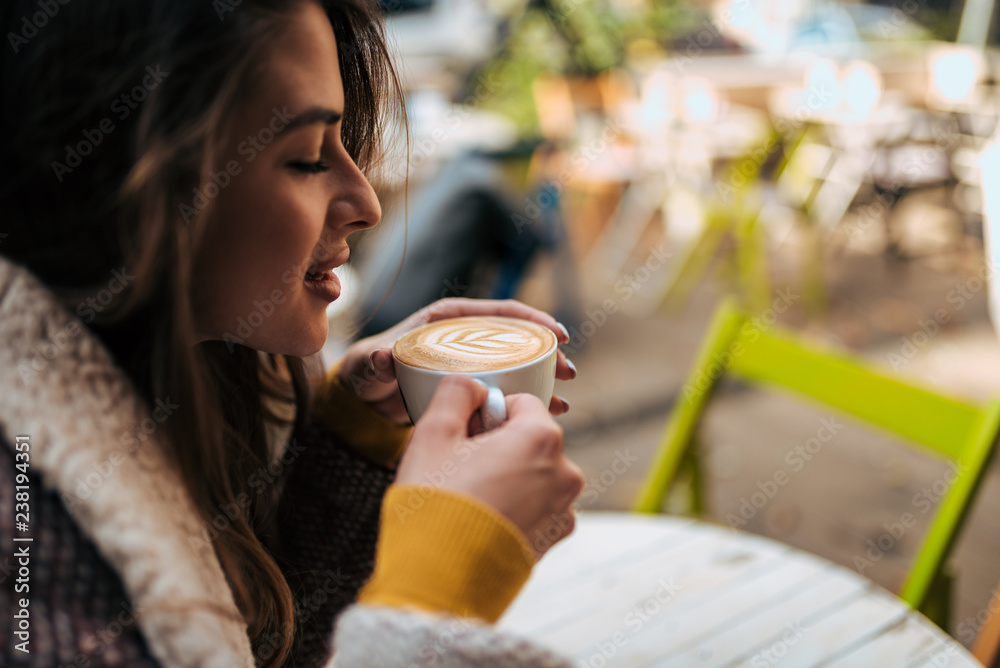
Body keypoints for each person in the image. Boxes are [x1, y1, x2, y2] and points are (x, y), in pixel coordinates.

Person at [0, 1, 584, 666]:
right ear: (135, 182)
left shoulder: (184, 395)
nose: (366, 204)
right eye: (308, 156)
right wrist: (430, 607)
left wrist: (348, 445)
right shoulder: (27, 538)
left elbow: (246, 648)